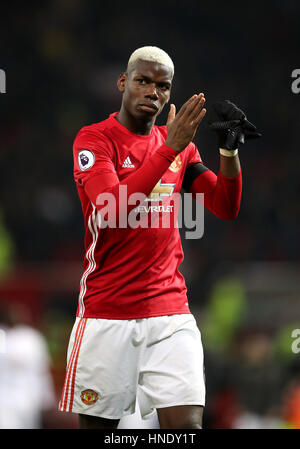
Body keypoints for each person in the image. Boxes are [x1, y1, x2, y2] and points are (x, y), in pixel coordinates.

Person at [59, 46, 260, 429]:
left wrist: (228, 151)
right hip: (108, 312)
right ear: (123, 82)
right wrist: (170, 148)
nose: (153, 92)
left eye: (163, 86)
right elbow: (114, 210)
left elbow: (224, 205)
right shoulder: (94, 140)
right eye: (143, 81)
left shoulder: (179, 147)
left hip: (170, 314)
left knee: (186, 427)